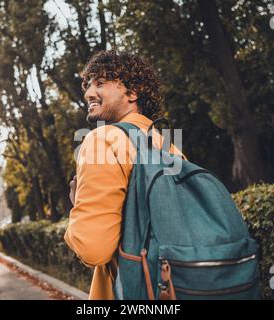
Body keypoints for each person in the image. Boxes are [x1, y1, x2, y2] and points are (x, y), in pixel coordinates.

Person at [64, 50, 185, 299]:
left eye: (101, 83)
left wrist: (78, 208)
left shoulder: (102, 140)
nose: (88, 93)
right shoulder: (170, 147)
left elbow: (94, 249)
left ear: (132, 92)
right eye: (88, 85)